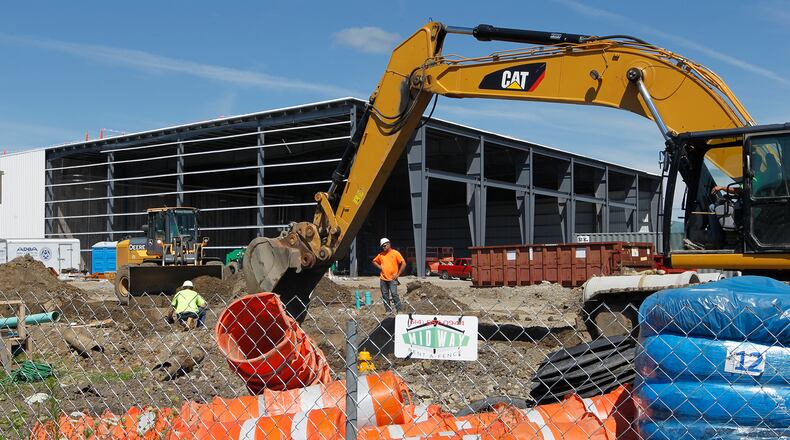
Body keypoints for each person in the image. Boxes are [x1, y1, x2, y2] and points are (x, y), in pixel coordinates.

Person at [372, 237, 406, 313]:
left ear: (389, 244)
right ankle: (388, 310)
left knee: (394, 294)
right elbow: (374, 261)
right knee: (385, 295)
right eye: (382, 246)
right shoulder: (381, 255)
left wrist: (398, 274)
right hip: (383, 279)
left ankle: (399, 310)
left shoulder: (395, 253)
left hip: (392, 279)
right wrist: (379, 267)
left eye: (384, 245)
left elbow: (403, 263)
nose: (383, 247)